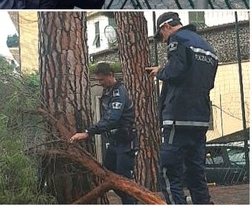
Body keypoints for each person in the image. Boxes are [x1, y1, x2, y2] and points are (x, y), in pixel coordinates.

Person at [146, 12, 218, 204]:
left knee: (169, 173)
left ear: (166, 27)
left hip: (178, 116)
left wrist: (161, 70)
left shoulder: (177, 39)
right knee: (196, 174)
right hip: (201, 117)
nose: (163, 41)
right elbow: (206, 81)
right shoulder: (208, 47)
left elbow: (176, 71)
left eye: (162, 36)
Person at [69, 62, 137, 204]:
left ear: (110, 76)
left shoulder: (119, 92)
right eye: (98, 80)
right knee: (108, 176)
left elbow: (112, 119)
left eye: (101, 80)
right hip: (113, 142)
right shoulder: (107, 91)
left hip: (125, 142)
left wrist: (88, 132)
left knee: (124, 182)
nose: (99, 83)